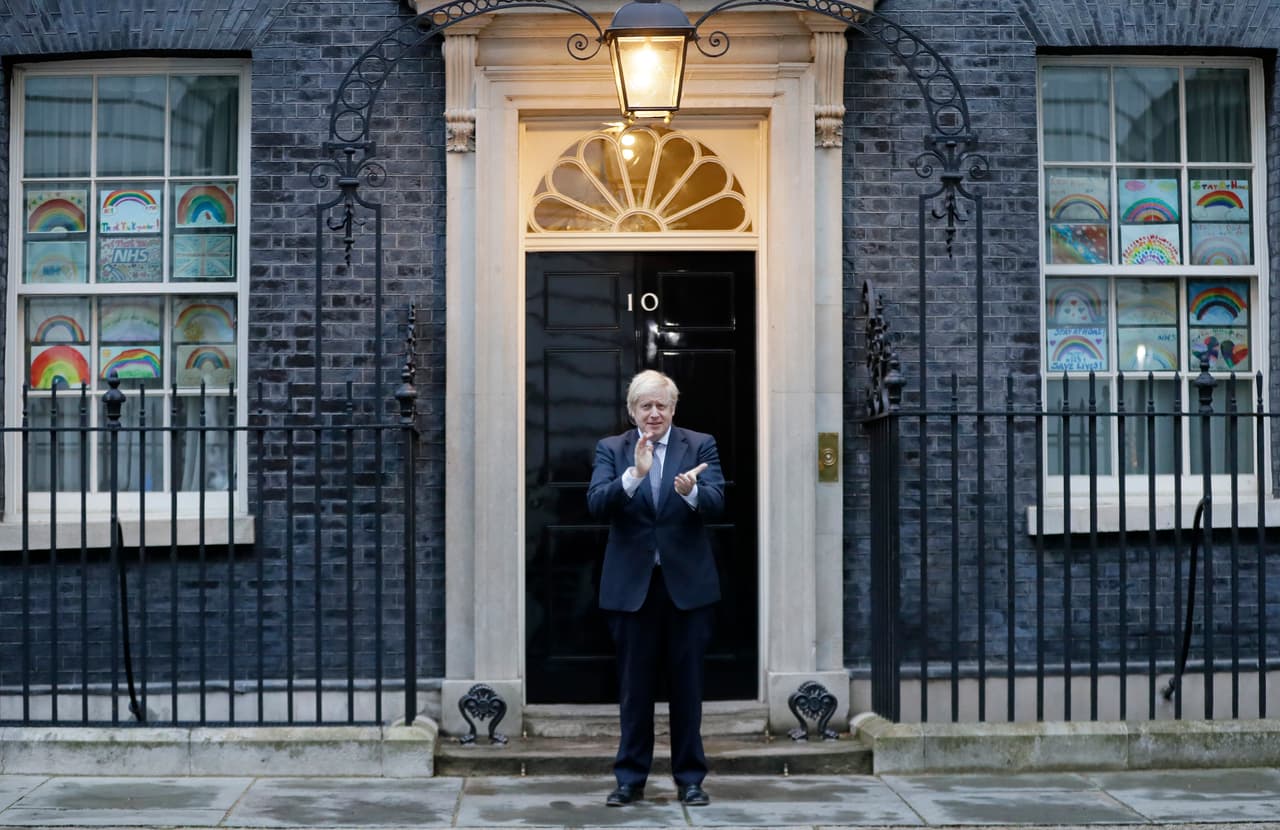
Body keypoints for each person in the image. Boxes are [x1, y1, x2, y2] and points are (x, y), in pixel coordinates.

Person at [586, 369, 725, 807]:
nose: (654, 413)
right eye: (645, 405)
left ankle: (690, 780)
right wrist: (633, 476)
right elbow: (596, 504)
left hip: (687, 590)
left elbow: (719, 501)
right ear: (632, 411)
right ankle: (630, 780)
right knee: (635, 691)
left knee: (687, 690)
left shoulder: (699, 445)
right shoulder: (612, 449)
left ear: (673, 408)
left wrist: (692, 492)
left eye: (661, 405)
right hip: (632, 591)